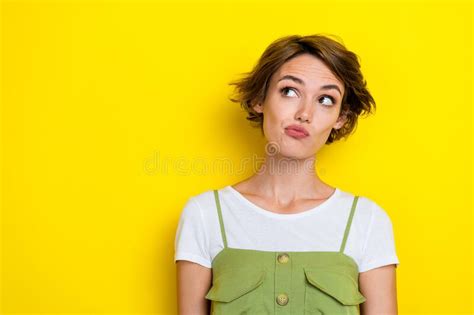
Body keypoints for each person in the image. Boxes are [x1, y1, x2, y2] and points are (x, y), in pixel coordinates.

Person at [175, 34, 400, 315]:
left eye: (326, 99)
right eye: (290, 91)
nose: (305, 113)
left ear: (340, 118)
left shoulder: (367, 220)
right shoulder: (205, 214)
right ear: (259, 99)